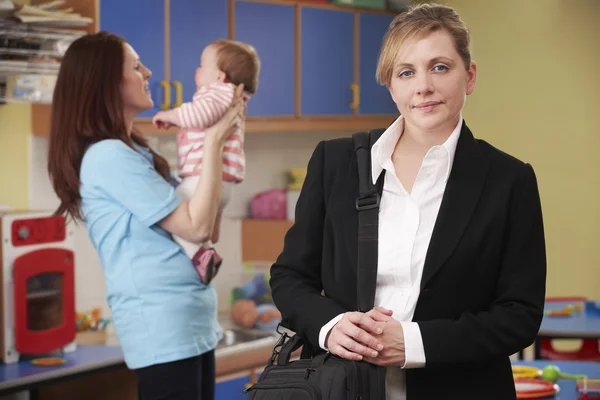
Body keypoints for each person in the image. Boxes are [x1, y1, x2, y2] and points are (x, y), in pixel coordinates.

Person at [270, 3, 546, 399]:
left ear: (469, 77)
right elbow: (290, 276)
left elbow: (519, 316)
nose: (423, 87)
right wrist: (330, 326)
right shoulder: (335, 163)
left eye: (440, 67)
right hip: (341, 389)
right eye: (406, 72)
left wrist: (414, 343)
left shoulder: (509, 180)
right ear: (391, 85)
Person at [47, 32, 244, 400]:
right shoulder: (107, 157)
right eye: (136, 66)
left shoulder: (136, 151)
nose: (149, 72)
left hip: (190, 324)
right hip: (163, 329)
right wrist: (214, 142)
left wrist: (220, 154)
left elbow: (205, 229)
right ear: (105, 82)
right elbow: (198, 225)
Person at [152, 39, 259, 278]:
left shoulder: (218, 93)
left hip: (204, 180)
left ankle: (202, 257)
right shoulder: (232, 98)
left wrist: (170, 115)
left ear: (220, 77)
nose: (196, 71)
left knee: (174, 213)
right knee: (200, 228)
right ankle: (206, 252)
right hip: (221, 183)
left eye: (202, 65)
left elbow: (199, 115)